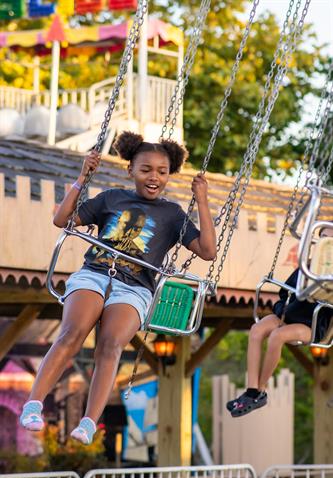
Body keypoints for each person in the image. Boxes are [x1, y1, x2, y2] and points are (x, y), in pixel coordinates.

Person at [20, 131, 217, 444]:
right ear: (131, 171)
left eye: (162, 172)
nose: (154, 177)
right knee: (72, 333)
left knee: (110, 345)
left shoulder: (173, 214)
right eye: (146, 170)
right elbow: (62, 219)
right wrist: (83, 175)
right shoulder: (111, 198)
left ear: (169, 175)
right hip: (95, 274)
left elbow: (207, 251)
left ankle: (88, 422)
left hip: (134, 288)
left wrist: (202, 201)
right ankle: (33, 404)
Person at [227, 226, 333, 418]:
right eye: (322, 238)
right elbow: (285, 292)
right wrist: (280, 309)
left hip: (312, 324)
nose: (324, 243)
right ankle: (251, 388)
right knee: (257, 329)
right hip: (288, 315)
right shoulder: (306, 266)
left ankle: (259, 391)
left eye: (329, 240)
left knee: (277, 336)